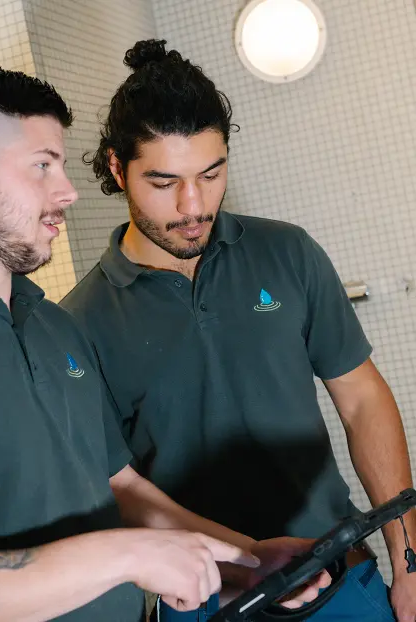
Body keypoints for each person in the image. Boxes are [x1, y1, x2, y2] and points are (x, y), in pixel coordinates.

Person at [0, 66, 327, 622]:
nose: (68, 191)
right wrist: (128, 554)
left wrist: (247, 560)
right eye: (42, 166)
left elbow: (121, 487)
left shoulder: (54, 327)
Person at [61, 40, 416, 622]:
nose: (193, 204)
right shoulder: (77, 324)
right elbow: (119, 487)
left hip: (338, 578)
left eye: (211, 173)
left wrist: (409, 560)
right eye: (164, 182)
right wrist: (249, 560)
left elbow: (361, 400)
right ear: (116, 168)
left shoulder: (287, 252)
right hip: (206, 602)